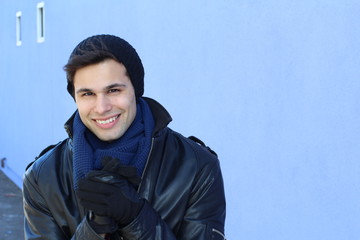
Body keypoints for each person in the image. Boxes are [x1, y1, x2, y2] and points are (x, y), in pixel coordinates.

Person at [23, 34, 226, 240]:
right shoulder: (42, 177)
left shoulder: (197, 167)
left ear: (136, 90)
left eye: (113, 90)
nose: (102, 108)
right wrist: (95, 226)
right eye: (87, 94)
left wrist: (135, 216)